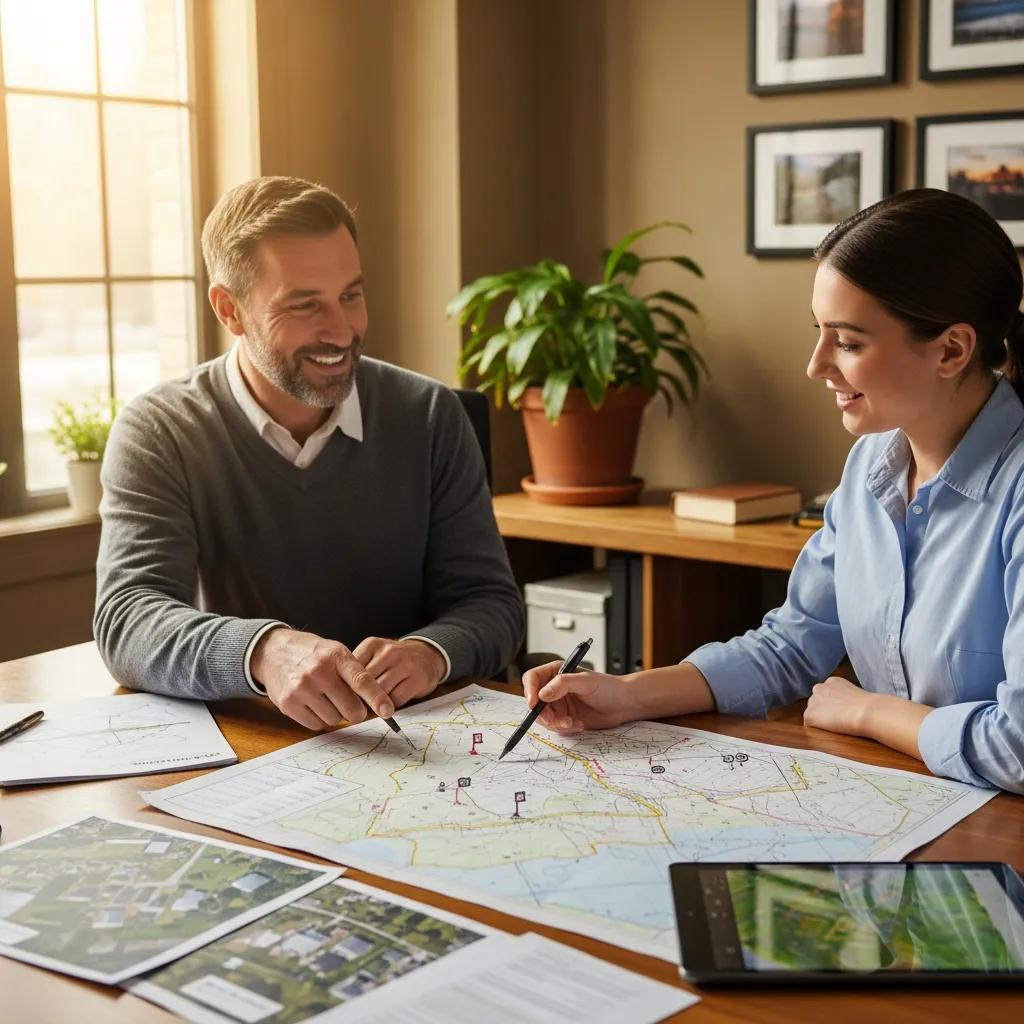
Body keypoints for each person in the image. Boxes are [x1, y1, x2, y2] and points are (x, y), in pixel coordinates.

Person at [524, 188, 1024, 794]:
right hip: (909, 799)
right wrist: (628, 694)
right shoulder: (870, 465)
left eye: (848, 342)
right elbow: (790, 644)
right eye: (820, 333)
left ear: (951, 350)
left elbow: (1018, 746)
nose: (816, 365)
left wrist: (869, 712)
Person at [95, 175, 524, 730]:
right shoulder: (159, 430)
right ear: (229, 310)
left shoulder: (429, 414)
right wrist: (264, 651)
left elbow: (492, 604)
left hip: (414, 741)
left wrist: (429, 653)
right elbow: (128, 619)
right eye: (304, 305)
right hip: (255, 743)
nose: (342, 332)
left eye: (351, 295)